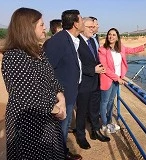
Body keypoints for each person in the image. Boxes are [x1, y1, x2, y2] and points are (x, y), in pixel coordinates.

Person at [1, 7, 66, 159]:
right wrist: (58, 110)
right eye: (41, 25)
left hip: (47, 118)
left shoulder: (38, 52)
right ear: (28, 28)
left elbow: (52, 78)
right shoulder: (14, 57)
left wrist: (61, 96)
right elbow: (28, 96)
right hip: (29, 124)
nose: (45, 29)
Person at [43, 9, 84, 160]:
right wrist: (57, 95)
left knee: (64, 127)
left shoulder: (72, 39)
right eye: (81, 20)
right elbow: (46, 70)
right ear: (75, 24)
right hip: (62, 95)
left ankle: (61, 152)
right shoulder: (58, 41)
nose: (83, 22)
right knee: (61, 127)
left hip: (70, 91)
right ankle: (60, 155)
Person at [98, 28, 146, 133]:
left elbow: (133, 50)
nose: (111, 37)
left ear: (117, 38)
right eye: (109, 35)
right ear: (107, 37)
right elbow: (105, 68)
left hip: (116, 80)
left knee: (111, 101)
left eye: (114, 35)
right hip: (107, 79)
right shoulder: (102, 50)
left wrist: (145, 45)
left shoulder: (120, 48)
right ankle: (104, 124)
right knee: (104, 102)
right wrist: (118, 78)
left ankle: (109, 122)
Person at [75, 17, 110, 150]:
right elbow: (74, 64)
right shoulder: (76, 42)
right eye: (90, 27)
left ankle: (96, 131)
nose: (93, 29)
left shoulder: (94, 39)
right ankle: (81, 136)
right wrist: (92, 69)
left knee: (94, 110)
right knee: (82, 111)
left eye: (93, 27)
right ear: (82, 26)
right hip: (83, 83)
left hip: (96, 81)